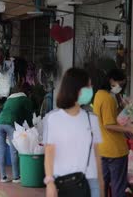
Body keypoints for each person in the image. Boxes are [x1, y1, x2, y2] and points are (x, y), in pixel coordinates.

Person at [43, 68, 103, 197]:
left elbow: (97, 157)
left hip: (91, 183)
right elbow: (49, 153)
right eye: (88, 85)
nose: (91, 89)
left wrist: (101, 187)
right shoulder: (54, 119)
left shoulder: (92, 119)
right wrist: (49, 182)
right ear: (77, 89)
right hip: (64, 183)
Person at [92, 68, 133, 197]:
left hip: (102, 149)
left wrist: (121, 106)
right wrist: (130, 129)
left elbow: (109, 118)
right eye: (120, 84)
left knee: (102, 186)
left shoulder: (99, 94)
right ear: (111, 80)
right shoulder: (108, 99)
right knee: (118, 187)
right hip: (115, 151)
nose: (120, 87)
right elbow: (108, 124)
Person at [0, 81, 34, 183]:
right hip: (10, 124)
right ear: (28, 92)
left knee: (1, 150)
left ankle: (3, 177)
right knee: (14, 150)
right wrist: (31, 128)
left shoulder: (10, 99)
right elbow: (29, 116)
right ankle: (16, 177)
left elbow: (5, 110)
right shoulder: (25, 99)